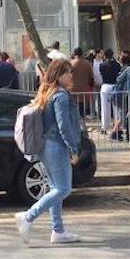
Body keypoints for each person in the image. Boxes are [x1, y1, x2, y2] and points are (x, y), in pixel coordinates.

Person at [15, 58, 82, 246]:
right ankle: (28, 217)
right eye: (67, 72)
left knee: (55, 189)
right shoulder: (60, 96)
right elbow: (64, 126)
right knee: (63, 189)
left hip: (45, 146)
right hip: (56, 146)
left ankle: (58, 230)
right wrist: (73, 149)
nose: (70, 75)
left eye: (70, 71)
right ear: (58, 75)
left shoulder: (48, 92)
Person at [97, 48, 121, 132]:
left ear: (105, 55)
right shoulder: (117, 65)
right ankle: (117, 125)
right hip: (115, 86)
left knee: (105, 107)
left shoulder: (102, 65)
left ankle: (105, 127)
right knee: (116, 107)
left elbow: (100, 76)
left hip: (105, 86)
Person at [69, 47, 94, 115]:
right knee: (82, 110)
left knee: (73, 110)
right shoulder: (87, 63)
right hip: (84, 90)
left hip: (72, 89)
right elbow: (91, 77)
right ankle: (82, 123)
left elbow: (67, 76)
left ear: (74, 53)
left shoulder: (71, 63)